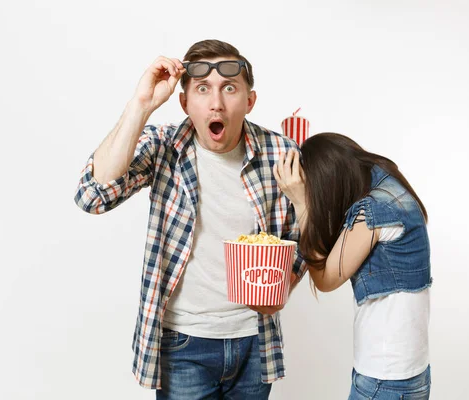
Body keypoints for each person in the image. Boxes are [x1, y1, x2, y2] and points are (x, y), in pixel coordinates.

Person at [74, 39, 307, 399]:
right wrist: (141, 105)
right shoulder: (165, 145)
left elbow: (306, 233)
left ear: (249, 101)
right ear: (185, 103)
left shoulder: (281, 153)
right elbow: (93, 196)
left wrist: (286, 285)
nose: (216, 103)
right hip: (183, 345)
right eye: (202, 89)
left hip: (255, 341)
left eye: (229, 89)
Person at [273, 133, 432, 399]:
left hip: (384, 377)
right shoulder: (389, 185)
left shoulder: (372, 213)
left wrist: (301, 203)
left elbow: (325, 280)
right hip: (409, 372)